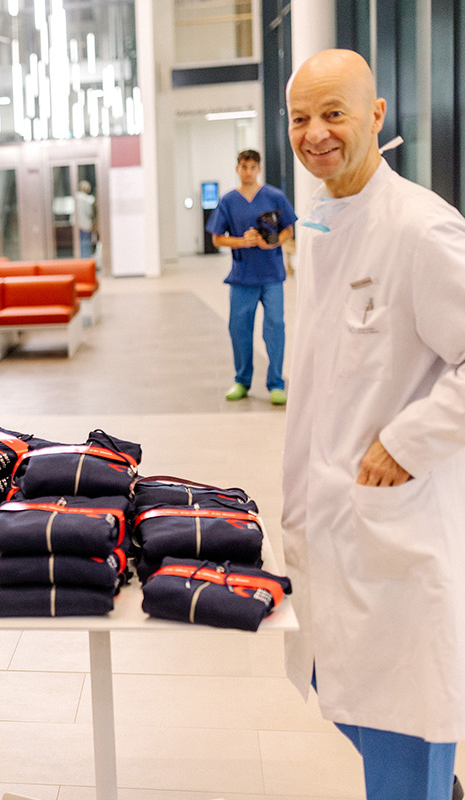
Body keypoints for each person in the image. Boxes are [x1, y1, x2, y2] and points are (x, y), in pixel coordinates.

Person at [283, 49, 465, 800]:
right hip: (331, 521)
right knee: (342, 688)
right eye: (300, 118)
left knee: (404, 718)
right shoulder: (321, 221)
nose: (315, 134)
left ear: (377, 115)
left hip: (397, 532)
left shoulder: (420, 227)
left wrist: (406, 440)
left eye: (334, 114)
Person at [205, 149, 297, 406]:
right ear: (237, 169)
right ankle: (242, 381)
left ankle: (276, 384)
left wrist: (273, 242)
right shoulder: (228, 201)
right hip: (242, 277)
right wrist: (241, 241)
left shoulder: (274, 196)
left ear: (259, 169)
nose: (248, 172)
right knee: (239, 330)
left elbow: (288, 230)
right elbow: (217, 238)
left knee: (275, 327)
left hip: (272, 276)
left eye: (253, 167)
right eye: (244, 167)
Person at [75, 180, 96, 258]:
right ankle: (86, 257)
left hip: (77, 224)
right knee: (86, 241)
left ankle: (81, 257)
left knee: (80, 241)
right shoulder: (88, 199)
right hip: (86, 224)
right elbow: (89, 212)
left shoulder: (76, 198)